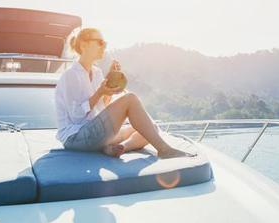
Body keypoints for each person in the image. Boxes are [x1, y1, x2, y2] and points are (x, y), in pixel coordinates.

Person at [55, 28, 191, 158]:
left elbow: (103, 106)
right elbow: (76, 116)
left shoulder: (97, 73)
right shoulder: (71, 75)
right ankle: (164, 149)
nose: (104, 46)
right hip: (76, 137)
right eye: (100, 42)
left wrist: (109, 84)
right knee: (130, 99)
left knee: (151, 129)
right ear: (84, 45)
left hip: (94, 132)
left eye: (105, 43)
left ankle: (119, 148)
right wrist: (100, 92)